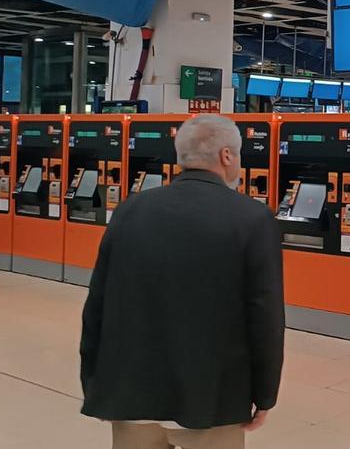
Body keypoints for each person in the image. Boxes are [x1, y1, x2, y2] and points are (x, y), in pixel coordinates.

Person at [80, 114, 284, 449]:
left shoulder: (131, 210)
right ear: (226, 156)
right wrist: (264, 395)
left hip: (133, 393)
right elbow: (265, 317)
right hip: (213, 397)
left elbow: (98, 304)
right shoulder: (251, 218)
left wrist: (96, 384)